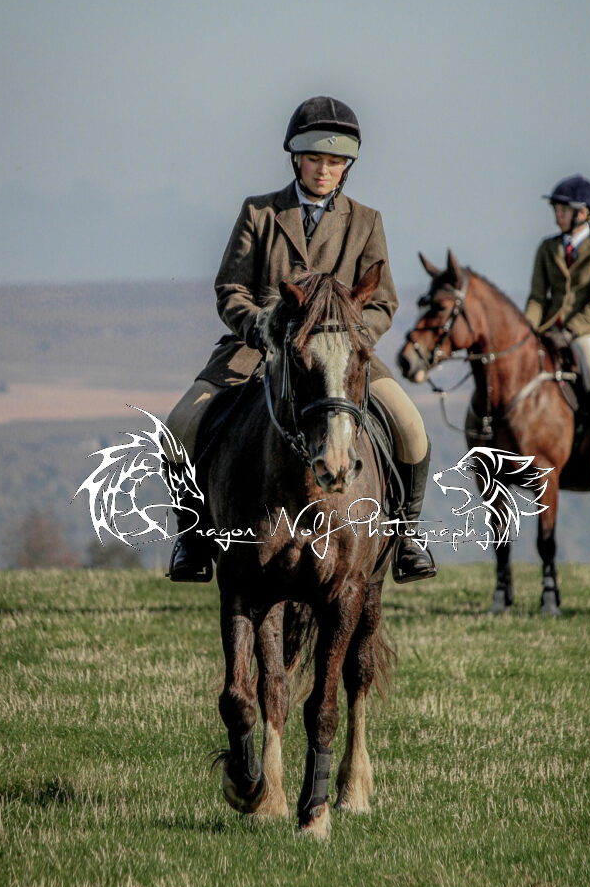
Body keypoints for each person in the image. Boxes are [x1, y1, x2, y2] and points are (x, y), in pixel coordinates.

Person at [164, 95, 437, 583]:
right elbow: (231, 289)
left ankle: (406, 537)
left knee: (412, 428)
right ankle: (192, 538)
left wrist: (348, 340)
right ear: (296, 159)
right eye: (314, 159)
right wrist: (260, 327)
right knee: (180, 425)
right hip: (257, 351)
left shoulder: (366, 221)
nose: (323, 170)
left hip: (341, 358)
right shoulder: (259, 213)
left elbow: (382, 302)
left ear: (346, 167)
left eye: (334, 162)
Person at [524, 174, 590, 475]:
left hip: (588, 331)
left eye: (564, 210)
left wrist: (569, 331)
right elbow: (537, 297)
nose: (558, 215)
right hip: (549, 328)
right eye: (556, 209)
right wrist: (527, 329)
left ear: (583, 213)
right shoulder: (547, 248)